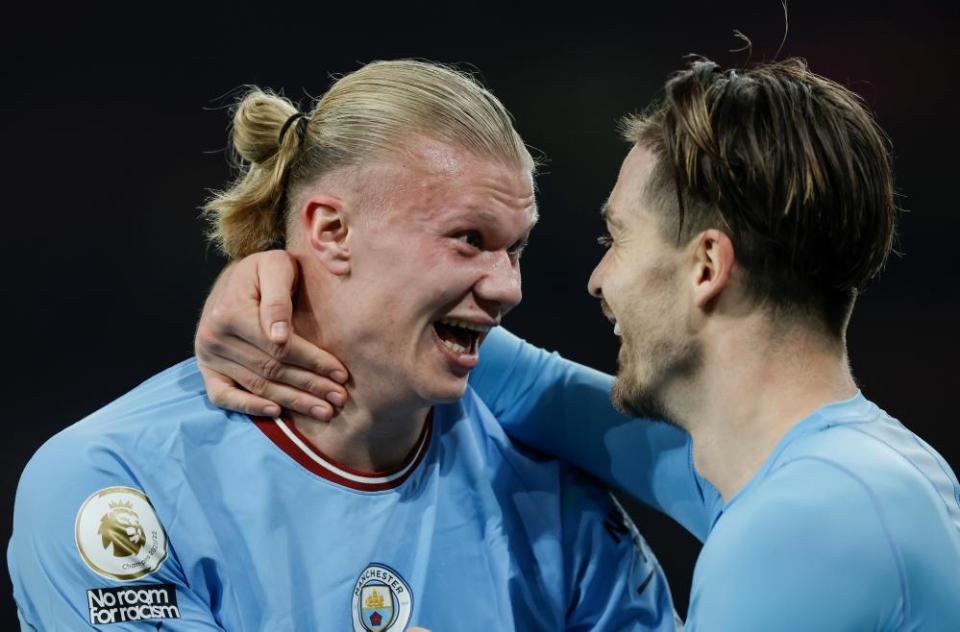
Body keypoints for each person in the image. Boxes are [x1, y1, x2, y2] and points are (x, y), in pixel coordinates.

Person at [197, 57, 960, 630]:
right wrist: (284, 270)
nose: (598, 280)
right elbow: (533, 389)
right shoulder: (842, 472)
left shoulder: (802, 527)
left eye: (616, 239)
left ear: (705, 267)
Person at [8, 60, 678, 631]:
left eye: (516, 248)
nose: (507, 288)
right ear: (330, 231)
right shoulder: (114, 481)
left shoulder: (555, 500)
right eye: (469, 239)